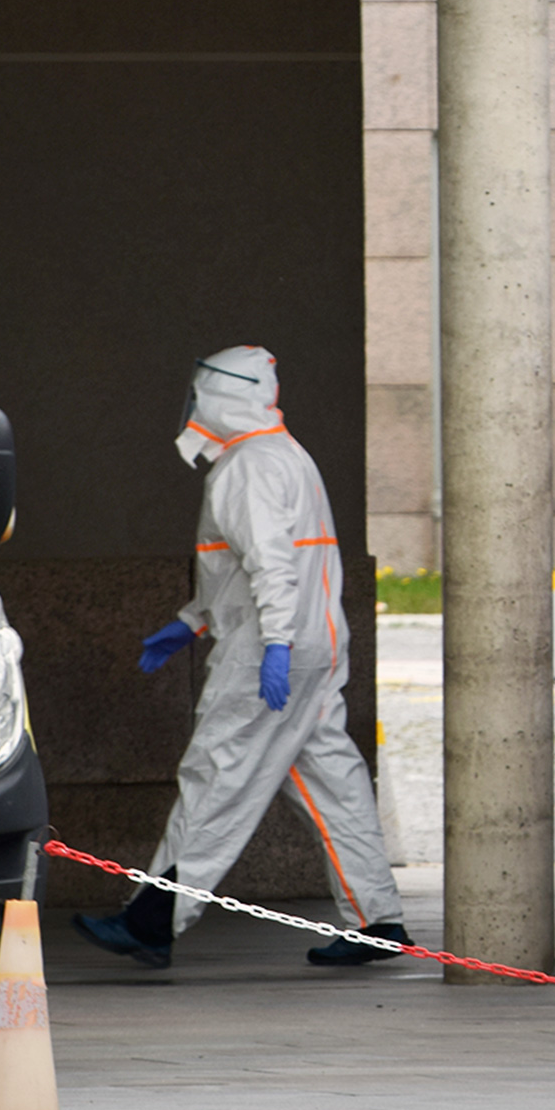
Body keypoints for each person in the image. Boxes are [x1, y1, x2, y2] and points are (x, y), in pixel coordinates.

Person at [73, 346, 409, 968]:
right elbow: (258, 567)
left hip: (270, 651)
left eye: (200, 396)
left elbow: (269, 566)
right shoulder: (287, 456)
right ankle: (379, 918)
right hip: (315, 642)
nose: (194, 408)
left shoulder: (246, 466)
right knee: (331, 782)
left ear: (220, 398)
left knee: (217, 775)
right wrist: (192, 622)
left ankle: (154, 919)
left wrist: (274, 645)